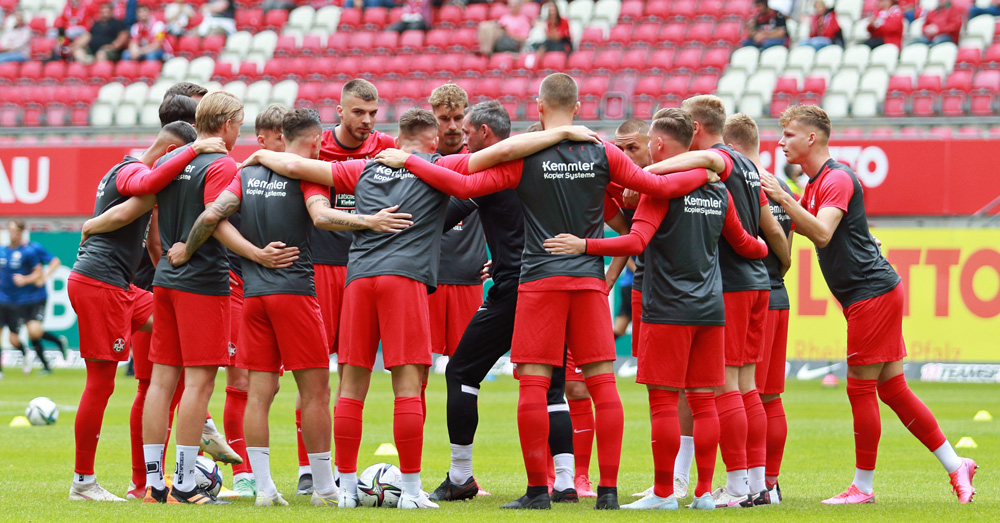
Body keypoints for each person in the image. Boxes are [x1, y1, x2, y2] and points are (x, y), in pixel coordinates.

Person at [377, 73, 722, 510]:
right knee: (601, 385)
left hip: (539, 281)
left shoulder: (528, 156)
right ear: (576, 108)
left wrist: (408, 160)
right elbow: (655, 186)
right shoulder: (602, 150)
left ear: (539, 107)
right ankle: (609, 493)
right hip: (588, 281)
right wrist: (708, 166)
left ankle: (538, 492)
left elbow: (462, 184)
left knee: (534, 385)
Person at [239, 107, 599, 509]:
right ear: (431, 140)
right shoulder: (438, 165)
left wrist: (258, 157)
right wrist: (565, 130)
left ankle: (344, 491)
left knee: (350, 389)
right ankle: (411, 492)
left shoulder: (364, 167)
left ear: (396, 137)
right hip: (404, 281)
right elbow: (505, 150)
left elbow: (295, 164)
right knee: (407, 388)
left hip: (358, 280)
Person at [167, 108, 414, 508]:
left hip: (253, 297)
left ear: (282, 136)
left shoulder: (244, 175)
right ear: (316, 141)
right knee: (316, 392)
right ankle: (322, 487)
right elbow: (322, 217)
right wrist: (370, 221)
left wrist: (188, 251)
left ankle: (264, 489)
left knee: (259, 393)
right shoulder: (305, 174)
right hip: (295, 293)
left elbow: (212, 216)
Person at [543, 109, 769, 511]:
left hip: (667, 309)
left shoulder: (660, 188)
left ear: (660, 144)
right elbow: (748, 244)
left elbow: (634, 241)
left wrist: (584, 245)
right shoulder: (718, 189)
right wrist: (766, 249)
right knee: (704, 402)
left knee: (664, 403)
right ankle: (702, 493)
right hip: (711, 311)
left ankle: (664, 493)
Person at [761, 104, 977, 505]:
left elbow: (822, 233)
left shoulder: (838, 177)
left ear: (811, 138)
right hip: (870, 291)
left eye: (788, 134)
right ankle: (955, 464)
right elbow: (835, 228)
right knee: (893, 389)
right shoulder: (817, 183)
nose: (780, 141)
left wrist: (783, 199)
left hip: (870, 293)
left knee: (860, 388)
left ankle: (862, 487)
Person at [425, 103, 604, 503]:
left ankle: (461, 476)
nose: (464, 136)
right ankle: (563, 483)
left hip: (516, 291)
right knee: (553, 388)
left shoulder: (494, 173)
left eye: (469, 130)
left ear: (486, 133)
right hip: (556, 286)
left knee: (461, 372)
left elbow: (447, 212)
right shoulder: (544, 169)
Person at [639, 95, 790, 508]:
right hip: (760, 282)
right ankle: (758, 485)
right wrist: (780, 262)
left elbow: (659, 179)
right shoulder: (749, 166)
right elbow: (769, 229)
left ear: (694, 125)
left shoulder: (716, 161)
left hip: (729, 285)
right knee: (747, 387)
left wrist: (641, 172)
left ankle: (739, 485)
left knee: (723, 388)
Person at [68, 122, 226, 502]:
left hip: (124, 287)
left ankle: (198, 422)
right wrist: (196, 150)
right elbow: (130, 208)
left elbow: (146, 234)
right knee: (101, 383)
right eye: (181, 156)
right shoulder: (134, 170)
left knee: (179, 333)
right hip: (100, 283)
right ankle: (83, 483)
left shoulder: (125, 169)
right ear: (171, 149)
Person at [291, 78, 397, 496]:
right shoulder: (320, 149)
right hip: (318, 268)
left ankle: (345, 470)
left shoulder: (385, 145)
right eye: (358, 112)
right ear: (340, 111)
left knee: (355, 374)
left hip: (367, 270)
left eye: (372, 113)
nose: (366, 121)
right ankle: (308, 469)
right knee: (314, 375)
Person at [724, 114, 794, 504]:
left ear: (730, 147)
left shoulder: (735, 181)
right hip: (777, 292)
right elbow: (786, 255)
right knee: (770, 395)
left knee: (739, 389)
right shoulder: (779, 185)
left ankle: (750, 484)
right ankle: (770, 481)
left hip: (745, 294)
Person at [427, 84, 488, 368]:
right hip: (426, 277)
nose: (452, 126)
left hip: (469, 277)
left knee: (465, 373)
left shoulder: (483, 161)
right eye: (443, 119)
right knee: (417, 369)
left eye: (458, 118)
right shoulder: (416, 161)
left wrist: (499, 258)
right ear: (432, 118)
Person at [1, 220, 49, 375]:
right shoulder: (2, 250)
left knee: (14, 339)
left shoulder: (29, 251)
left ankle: (26, 353)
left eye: (15, 230)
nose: (12, 233)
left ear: (21, 232)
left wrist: (25, 279)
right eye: (10, 230)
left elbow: (38, 271)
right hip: (2, 299)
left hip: (18, 301)